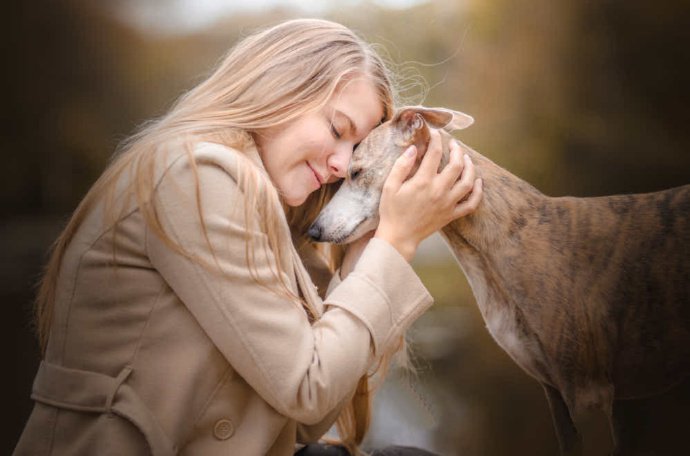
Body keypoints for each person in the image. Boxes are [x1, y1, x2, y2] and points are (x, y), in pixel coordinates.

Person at [14, 18, 482, 456]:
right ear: (278, 92)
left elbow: (303, 421)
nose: (342, 164)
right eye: (337, 130)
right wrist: (395, 243)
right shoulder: (196, 174)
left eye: (355, 150)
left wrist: (366, 247)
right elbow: (308, 389)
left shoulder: (274, 214)